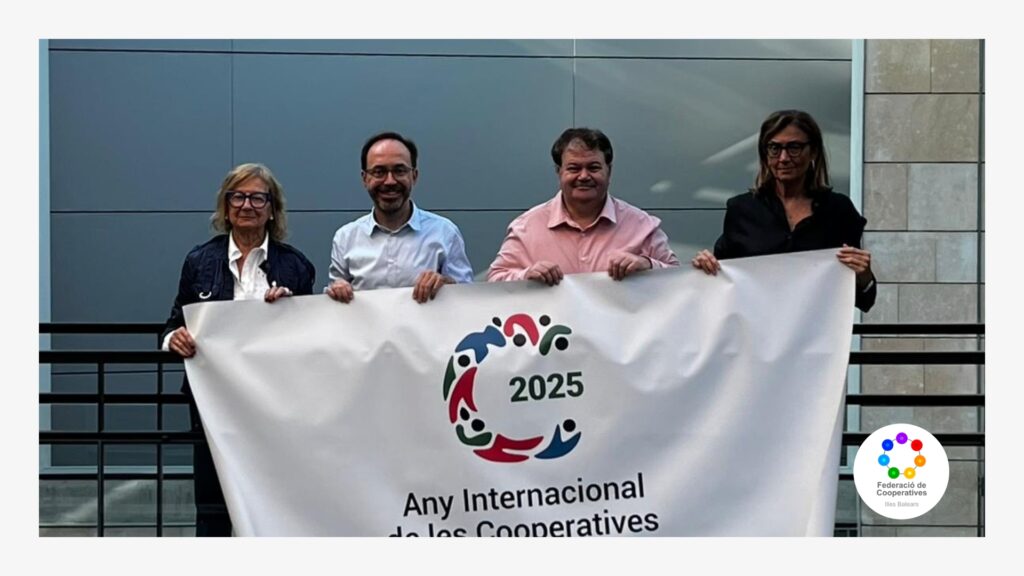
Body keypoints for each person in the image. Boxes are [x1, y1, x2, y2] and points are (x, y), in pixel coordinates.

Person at [161, 163, 316, 536]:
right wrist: (173, 338)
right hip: (212, 405)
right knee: (213, 506)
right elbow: (172, 324)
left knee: (275, 501)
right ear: (226, 206)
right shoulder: (199, 261)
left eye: (258, 198)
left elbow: (311, 339)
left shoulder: (296, 266)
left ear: (272, 209)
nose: (247, 205)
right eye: (238, 197)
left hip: (275, 405)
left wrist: (292, 311)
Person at [691, 109, 877, 312]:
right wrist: (705, 267)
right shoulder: (742, 210)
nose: (784, 157)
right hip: (757, 328)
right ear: (765, 154)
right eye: (774, 148)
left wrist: (864, 276)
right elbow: (721, 284)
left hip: (816, 329)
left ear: (813, 151)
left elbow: (863, 300)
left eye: (794, 147)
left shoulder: (838, 210)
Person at [487, 127, 679, 284]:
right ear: (559, 172)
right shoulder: (526, 228)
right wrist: (525, 276)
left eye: (593, 167)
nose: (584, 176)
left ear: (609, 171)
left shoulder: (642, 226)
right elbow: (495, 280)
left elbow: (678, 279)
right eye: (574, 168)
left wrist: (647, 265)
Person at [325, 131, 474, 303]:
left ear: (414, 176)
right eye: (379, 172)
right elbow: (334, 302)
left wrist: (448, 285)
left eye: (399, 171)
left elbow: (467, 299)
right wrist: (337, 290)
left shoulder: (445, 232)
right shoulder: (345, 238)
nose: (390, 181)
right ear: (365, 179)